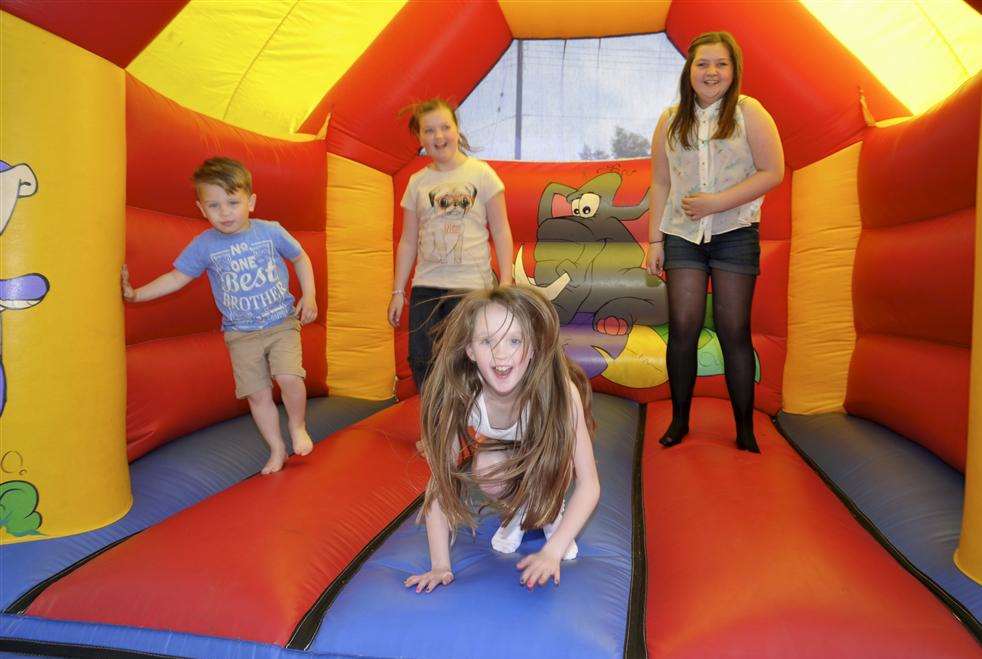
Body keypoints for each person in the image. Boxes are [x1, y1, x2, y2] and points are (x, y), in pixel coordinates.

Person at [121, 157, 318, 474]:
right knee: (257, 394)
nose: (225, 212)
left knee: (288, 377)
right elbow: (176, 277)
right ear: (201, 209)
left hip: (280, 322)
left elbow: (300, 257)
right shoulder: (204, 246)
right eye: (214, 205)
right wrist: (136, 294)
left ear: (250, 202)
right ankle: (277, 448)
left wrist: (309, 295)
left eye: (232, 202)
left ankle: (297, 426)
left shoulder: (270, 232)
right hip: (240, 333)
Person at [404, 286, 600, 593]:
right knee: (486, 468)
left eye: (514, 340)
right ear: (469, 350)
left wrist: (553, 551)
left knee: (550, 470)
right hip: (505, 449)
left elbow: (589, 484)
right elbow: (440, 484)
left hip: (548, 447)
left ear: (533, 347)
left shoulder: (559, 393)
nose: (500, 354)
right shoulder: (465, 397)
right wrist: (440, 565)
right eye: (487, 341)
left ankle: (549, 510)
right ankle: (519, 509)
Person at [646, 31, 784, 453]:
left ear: (733, 70)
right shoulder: (671, 119)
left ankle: (744, 428)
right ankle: (680, 420)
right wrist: (655, 241)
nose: (711, 72)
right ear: (689, 71)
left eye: (721, 64)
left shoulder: (749, 112)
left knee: (732, 330)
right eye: (703, 64)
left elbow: (772, 170)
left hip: (734, 233)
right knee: (683, 328)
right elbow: (660, 182)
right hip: (683, 236)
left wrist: (716, 203)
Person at [387, 98, 514, 391]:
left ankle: (471, 426)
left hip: (470, 286)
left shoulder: (482, 175)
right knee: (422, 359)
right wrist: (397, 290)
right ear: (419, 138)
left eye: (445, 127)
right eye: (429, 130)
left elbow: (501, 229)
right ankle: (436, 430)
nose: (439, 136)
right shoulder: (417, 182)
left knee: (469, 360)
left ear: (457, 130)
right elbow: (407, 241)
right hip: (427, 286)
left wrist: (505, 280)